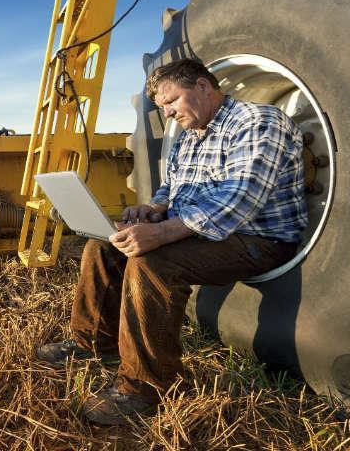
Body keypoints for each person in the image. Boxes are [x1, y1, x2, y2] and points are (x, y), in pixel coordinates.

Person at [36, 58, 308, 425]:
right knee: (104, 246)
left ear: (203, 87)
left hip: (257, 238)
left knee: (152, 263)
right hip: (207, 234)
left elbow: (239, 199)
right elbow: (173, 187)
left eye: (172, 101)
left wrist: (161, 233)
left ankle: (145, 387)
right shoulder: (190, 134)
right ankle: (92, 343)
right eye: (162, 107)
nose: (167, 114)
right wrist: (153, 209)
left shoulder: (257, 122)